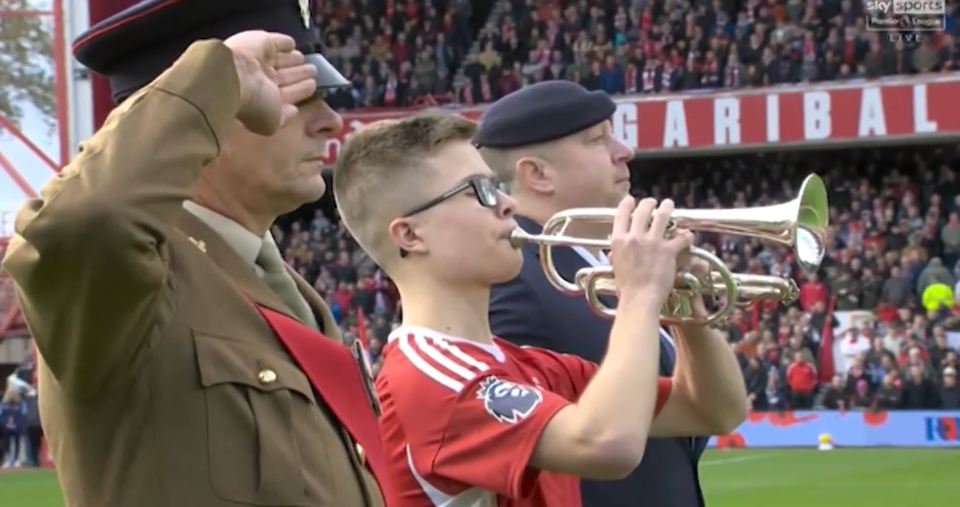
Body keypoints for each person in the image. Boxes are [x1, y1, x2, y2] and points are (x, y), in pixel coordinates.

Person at [1, 1, 387, 505]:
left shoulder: (284, 288)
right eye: (296, 97)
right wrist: (222, 74)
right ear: (197, 123)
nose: (331, 122)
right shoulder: (127, 281)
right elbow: (79, 222)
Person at [332, 112, 747, 506]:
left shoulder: (526, 365)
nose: (506, 204)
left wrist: (681, 303)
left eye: (496, 186)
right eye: (478, 191)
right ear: (410, 235)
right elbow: (606, 443)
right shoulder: (428, 378)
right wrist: (639, 294)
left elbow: (712, 408)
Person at [477, 80, 748, 507]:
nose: (624, 151)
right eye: (597, 139)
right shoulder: (511, 275)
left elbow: (723, 413)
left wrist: (682, 301)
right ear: (537, 174)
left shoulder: (606, 266)